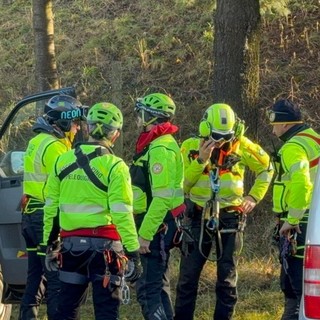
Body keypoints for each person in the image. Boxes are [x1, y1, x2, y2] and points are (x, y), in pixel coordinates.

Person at [42, 102, 142, 320]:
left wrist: (49, 243)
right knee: (106, 312)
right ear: (114, 134)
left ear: (87, 127)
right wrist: (133, 252)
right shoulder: (116, 166)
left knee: (66, 310)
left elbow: (51, 208)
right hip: (106, 251)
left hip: (70, 248)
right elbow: (122, 214)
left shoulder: (61, 161)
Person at [174, 103, 274, 320]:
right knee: (187, 278)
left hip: (231, 216)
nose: (221, 142)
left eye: (225, 137)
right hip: (198, 216)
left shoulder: (242, 146)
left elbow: (267, 168)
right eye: (216, 136)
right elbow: (182, 186)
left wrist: (253, 197)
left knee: (227, 278)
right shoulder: (190, 147)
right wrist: (201, 160)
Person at [19, 94, 85, 320]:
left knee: (35, 276)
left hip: (29, 216)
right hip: (45, 219)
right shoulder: (57, 147)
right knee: (56, 280)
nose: (77, 129)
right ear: (64, 122)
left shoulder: (36, 141)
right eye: (75, 123)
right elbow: (67, 185)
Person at [130, 93, 185, 320]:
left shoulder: (160, 148)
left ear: (153, 117)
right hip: (157, 223)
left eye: (142, 114)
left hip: (157, 227)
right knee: (159, 285)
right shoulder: (156, 144)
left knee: (148, 289)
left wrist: (145, 235)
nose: (138, 119)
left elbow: (161, 198)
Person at [267, 99, 320, 320]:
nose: (273, 128)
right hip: (313, 217)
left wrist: (292, 219)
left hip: (301, 222)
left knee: (296, 283)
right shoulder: (313, 139)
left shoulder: (293, 147)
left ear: (285, 124)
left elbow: (301, 183)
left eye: (274, 123)